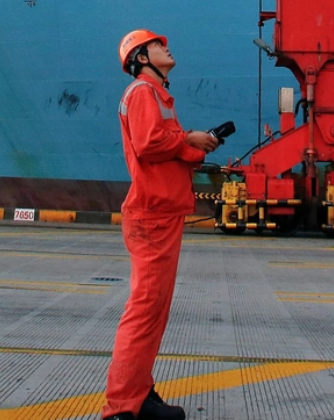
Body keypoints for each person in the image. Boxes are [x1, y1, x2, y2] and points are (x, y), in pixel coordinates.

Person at [102, 29, 219, 420]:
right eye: (155, 44)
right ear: (141, 58)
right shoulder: (142, 93)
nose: (165, 45)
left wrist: (194, 148)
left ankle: (139, 394)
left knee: (154, 312)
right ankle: (121, 408)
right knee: (144, 310)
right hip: (151, 213)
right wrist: (190, 140)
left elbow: (162, 143)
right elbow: (150, 143)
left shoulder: (157, 96)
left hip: (163, 213)